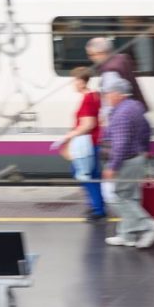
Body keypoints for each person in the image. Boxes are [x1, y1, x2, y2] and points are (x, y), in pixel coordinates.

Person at [100, 76, 154, 249]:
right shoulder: (135, 107)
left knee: (120, 197)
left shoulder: (121, 114)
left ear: (117, 94)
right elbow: (148, 130)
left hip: (126, 162)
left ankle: (149, 225)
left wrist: (113, 167)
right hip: (137, 158)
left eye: (107, 94)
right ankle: (127, 235)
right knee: (131, 197)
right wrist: (144, 151)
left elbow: (120, 144)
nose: (105, 97)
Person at [50, 67, 106, 222]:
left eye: (74, 80)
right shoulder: (94, 95)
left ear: (81, 82)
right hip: (92, 143)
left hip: (86, 144)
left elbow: (88, 124)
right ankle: (97, 206)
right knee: (90, 175)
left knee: (83, 174)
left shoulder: (87, 99)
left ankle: (98, 210)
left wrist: (67, 137)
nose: (72, 84)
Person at [86, 36, 149, 111]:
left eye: (92, 54)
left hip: (121, 116)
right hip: (135, 110)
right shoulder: (121, 60)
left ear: (101, 53)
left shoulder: (110, 71)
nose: (91, 58)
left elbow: (111, 104)